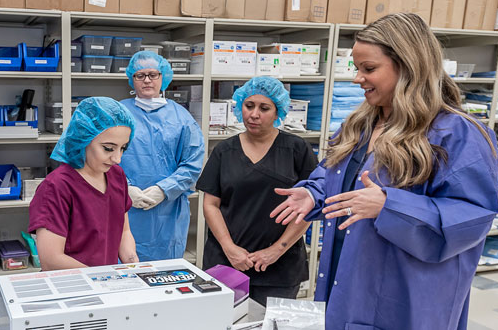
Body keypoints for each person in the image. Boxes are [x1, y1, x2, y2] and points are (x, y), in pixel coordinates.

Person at [269, 13, 498, 329]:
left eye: (369, 69)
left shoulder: (457, 134)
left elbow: (472, 217)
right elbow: (336, 175)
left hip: (405, 296)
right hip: (348, 278)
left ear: (407, 66)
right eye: (357, 68)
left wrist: (389, 206)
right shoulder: (362, 124)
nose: (357, 79)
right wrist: (313, 193)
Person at [197, 76, 317, 306]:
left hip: (279, 266)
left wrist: (275, 251)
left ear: (278, 111)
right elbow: (210, 204)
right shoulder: (224, 150)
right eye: (249, 106)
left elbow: (308, 207)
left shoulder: (296, 149)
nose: (254, 114)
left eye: (264, 108)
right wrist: (229, 248)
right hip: (227, 261)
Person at [28, 97, 140, 270]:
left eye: (123, 148)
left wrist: (132, 265)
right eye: (109, 148)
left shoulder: (116, 175)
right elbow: (51, 260)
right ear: (83, 139)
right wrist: (102, 279)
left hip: (104, 284)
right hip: (72, 286)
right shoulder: (57, 187)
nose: (117, 159)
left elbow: (124, 232)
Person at [119, 51, 205, 261]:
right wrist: (123, 188)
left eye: (153, 74)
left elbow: (193, 163)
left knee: (163, 273)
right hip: (123, 208)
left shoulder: (182, 117)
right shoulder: (118, 113)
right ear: (132, 79)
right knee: (122, 270)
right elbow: (101, 157)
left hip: (168, 210)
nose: (147, 80)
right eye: (140, 75)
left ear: (163, 77)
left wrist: (163, 190)